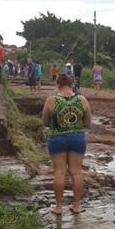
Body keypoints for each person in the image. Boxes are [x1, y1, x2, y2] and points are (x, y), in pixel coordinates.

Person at [42, 73, 92, 214]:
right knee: (76, 172)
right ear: (72, 85)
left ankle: (58, 207)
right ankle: (76, 205)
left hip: (57, 139)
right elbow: (88, 124)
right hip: (77, 138)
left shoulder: (51, 100)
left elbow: (45, 122)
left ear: (58, 85)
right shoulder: (82, 99)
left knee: (59, 172)